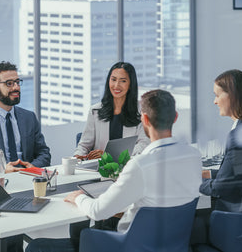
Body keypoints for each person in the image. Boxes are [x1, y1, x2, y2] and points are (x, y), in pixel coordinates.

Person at [26, 89, 202, 252]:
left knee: (37, 246)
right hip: (172, 245)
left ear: (145, 119)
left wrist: (78, 196)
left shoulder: (140, 165)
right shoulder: (194, 157)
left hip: (129, 245)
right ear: (176, 117)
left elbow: (98, 211)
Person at [191, 69, 242, 248]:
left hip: (234, 220)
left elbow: (222, 188)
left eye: (217, 95)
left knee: (186, 227)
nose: (215, 101)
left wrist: (192, 180)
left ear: (233, 96)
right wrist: (207, 173)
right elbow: (239, 173)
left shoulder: (239, 136)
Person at [74, 62, 150, 160]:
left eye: (123, 81)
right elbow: (83, 145)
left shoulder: (142, 112)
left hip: (129, 167)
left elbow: (143, 146)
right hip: (99, 170)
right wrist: (77, 157)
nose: (116, 85)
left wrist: (109, 155)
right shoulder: (95, 111)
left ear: (131, 84)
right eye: (113, 79)